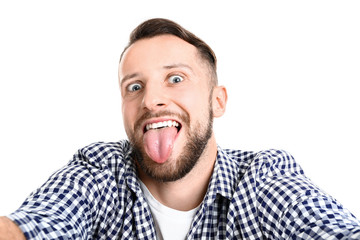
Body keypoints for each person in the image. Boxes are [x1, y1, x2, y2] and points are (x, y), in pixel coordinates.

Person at [1, 18, 359, 240]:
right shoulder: (100, 171)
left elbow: (324, 226)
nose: (151, 100)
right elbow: (42, 222)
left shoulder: (261, 178)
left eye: (175, 78)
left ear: (217, 101)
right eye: (134, 86)